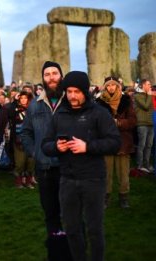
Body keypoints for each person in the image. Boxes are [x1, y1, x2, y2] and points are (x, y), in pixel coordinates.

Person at [42, 71, 121, 261]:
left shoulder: (99, 113)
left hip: (93, 179)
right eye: (69, 91)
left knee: (94, 229)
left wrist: (88, 146)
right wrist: (56, 147)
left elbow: (114, 142)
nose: (72, 96)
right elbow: (45, 144)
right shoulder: (59, 114)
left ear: (85, 92)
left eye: (76, 91)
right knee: (72, 229)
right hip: (67, 180)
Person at [20, 61, 71, 260]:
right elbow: (25, 132)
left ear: (61, 75)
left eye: (55, 73)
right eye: (47, 74)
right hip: (46, 168)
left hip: (70, 167)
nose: (51, 77)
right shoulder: (35, 105)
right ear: (43, 78)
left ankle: (75, 251)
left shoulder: (71, 100)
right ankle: (56, 252)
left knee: (71, 213)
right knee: (50, 214)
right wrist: (35, 153)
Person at [96, 76, 136, 208]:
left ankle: (123, 197)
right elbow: (95, 122)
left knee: (123, 173)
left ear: (118, 86)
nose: (111, 87)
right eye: (108, 85)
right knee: (106, 172)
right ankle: (105, 197)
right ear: (105, 87)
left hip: (123, 142)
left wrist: (118, 122)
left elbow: (132, 121)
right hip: (106, 142)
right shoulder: (99, 102)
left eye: (113, 85)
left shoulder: (126, 100)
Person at [8, 90, 35, 189]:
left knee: (30, 162)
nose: (23, 100)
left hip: (31, 139)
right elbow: (9, 113)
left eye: (25, 98)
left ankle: (28, 182)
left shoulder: (32, 109)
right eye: (21, 98)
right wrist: (14, 100)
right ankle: (19, 182)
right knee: (20, 163)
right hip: (18, 140)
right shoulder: (15, 109)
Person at [134, 79, 153, 173]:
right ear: (143, 85)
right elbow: (145, 106)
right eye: (148, 84)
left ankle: (147, 164)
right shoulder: (137, 96)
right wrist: (149, 95)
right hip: (142, 123)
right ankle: (139, 165)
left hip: (150, 123)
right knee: (142, 145)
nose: (150, 86)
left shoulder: (147, 95)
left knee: (149, 145)